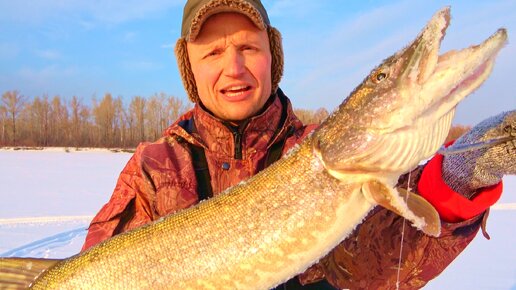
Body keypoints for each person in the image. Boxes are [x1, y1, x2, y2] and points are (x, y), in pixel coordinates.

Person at [82, 0, 515, 288]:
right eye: (212, 53)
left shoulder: (312, 152)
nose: (233, 68)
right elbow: (97, 272)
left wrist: (458, 177)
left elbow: (381, 262)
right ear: (190, 69)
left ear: (273, 57)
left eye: (248, 47)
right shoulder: (153, 169)